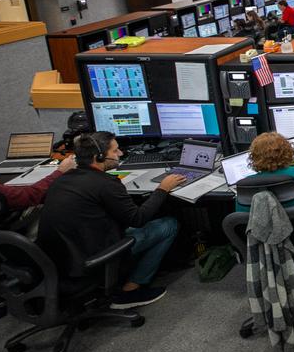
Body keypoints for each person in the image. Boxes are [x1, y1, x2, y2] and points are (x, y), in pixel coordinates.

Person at [36, 132, 185, 308]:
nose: (121, 154)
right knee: (168, 225)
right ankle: (129, 292)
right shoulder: (106, 184)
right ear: (98, 156)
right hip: (92, 261)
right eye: (115, 151)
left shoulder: (63, 179)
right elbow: (138, 219)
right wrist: (162, 189)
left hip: (59, 261)